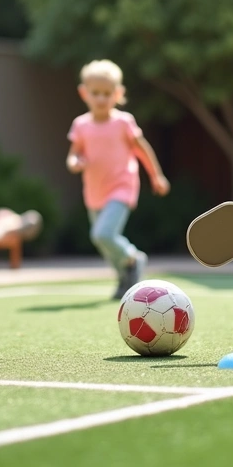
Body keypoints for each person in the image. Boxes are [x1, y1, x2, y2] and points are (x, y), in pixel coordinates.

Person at [66, 59, 170, 300]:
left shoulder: (123, 122)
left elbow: (142, 150)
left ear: (118, 94)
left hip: (122, 187)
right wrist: (75, 163)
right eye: (95, 93)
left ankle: (134, 258)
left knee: (102, 234)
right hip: (95, 192)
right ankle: (125, 277)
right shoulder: (80, 125)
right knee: (104, 243)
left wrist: (157, 176)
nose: (101, 98)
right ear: (84, 93)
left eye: (107, 93)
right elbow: (73, 155)